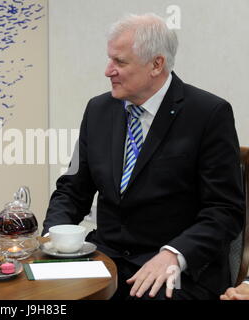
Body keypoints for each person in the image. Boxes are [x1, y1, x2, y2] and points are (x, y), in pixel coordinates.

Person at [42, 13, 244, 300]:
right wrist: (53, 237)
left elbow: (224, 210)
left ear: (156, 64)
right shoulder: (99, 110)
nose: (107, 70)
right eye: (110, 59)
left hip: (175, 269)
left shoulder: (208, 114)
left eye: (119, 62)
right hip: (105, 260)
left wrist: (175, 254)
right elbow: (72, 189)